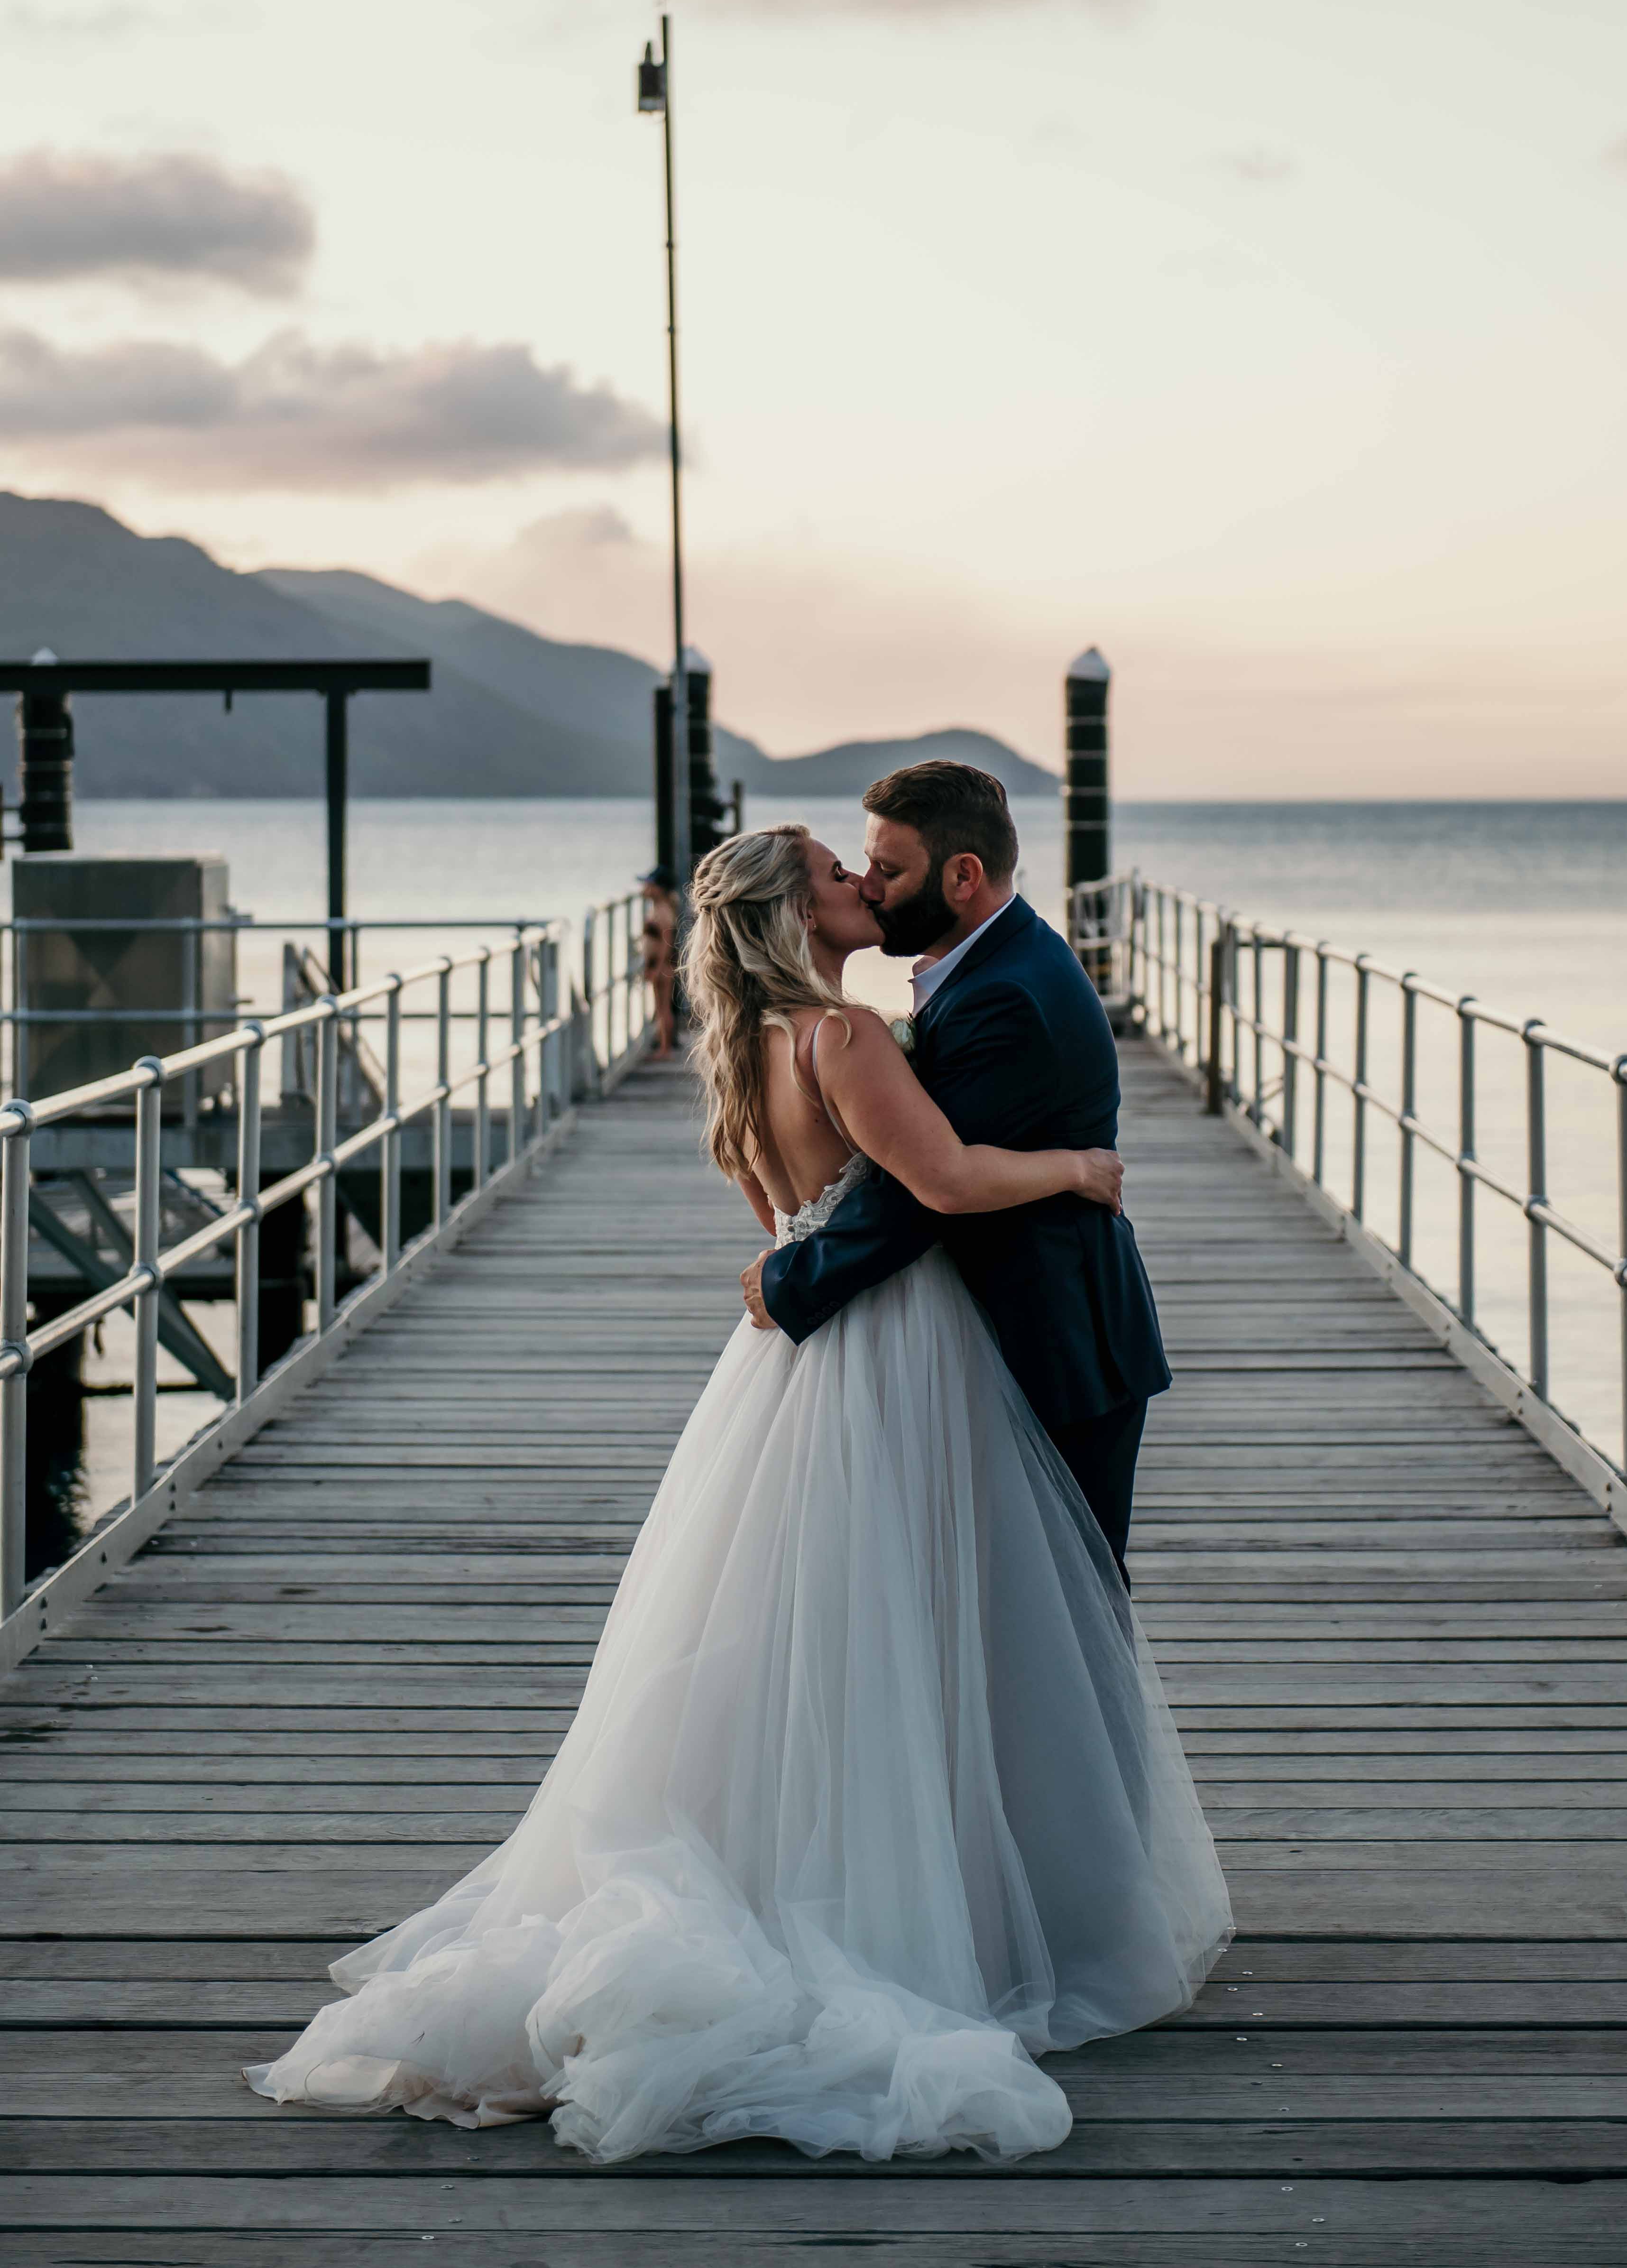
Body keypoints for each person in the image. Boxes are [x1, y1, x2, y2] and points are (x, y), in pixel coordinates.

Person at [244, 821, 1229, 2165]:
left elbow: (796, 1218)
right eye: (838, 873)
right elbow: (936, 1181)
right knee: (901, 1625)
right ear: (795, 913)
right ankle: (918, 1913)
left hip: (782, 1373)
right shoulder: (843, 1036)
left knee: (805, 1636)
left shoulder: (745, 1049)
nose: (859, 884)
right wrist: (1075, 1167)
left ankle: (827, 1872)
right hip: (894, 1357)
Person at [745, 762, 1167, 1582]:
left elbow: (924, 1194)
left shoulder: (1006, 995)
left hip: (1057, 1343)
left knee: (1064, 1616)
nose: (868, 887)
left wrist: (795, 1275)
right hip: (979, 1336)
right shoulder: (979, 973)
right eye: (860, 867)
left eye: (889, 870)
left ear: (963, 875)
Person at [638, 864, 680, 1058]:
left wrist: (659, 966)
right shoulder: (658, 908)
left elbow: (667, 942)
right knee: (660, 1006)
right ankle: (663, 1043)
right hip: (656, 963)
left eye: (650, 885)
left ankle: (666, 1047)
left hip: (661, 964)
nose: (645, 889)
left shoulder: (663, 910)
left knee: (663, 1007)